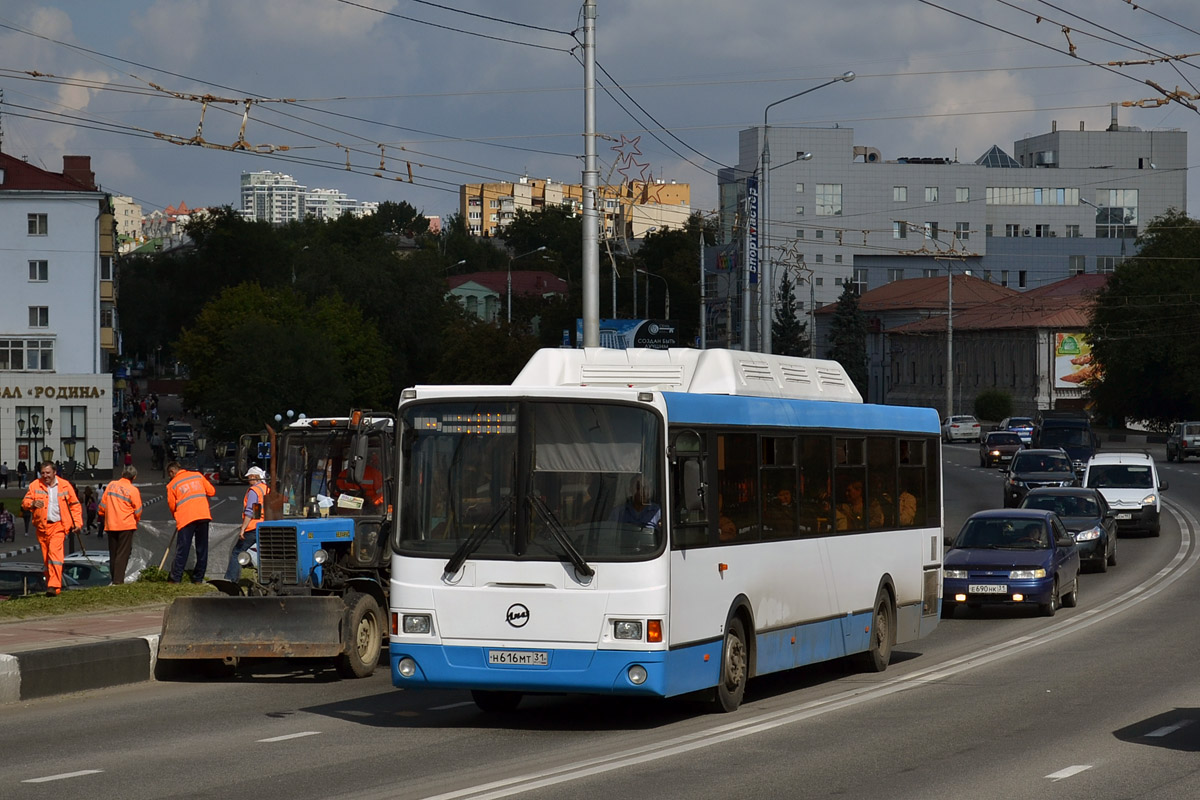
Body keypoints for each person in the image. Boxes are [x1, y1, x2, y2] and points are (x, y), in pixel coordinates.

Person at [21, 462, 84, 596]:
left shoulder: (65, 486)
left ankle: (53, 585)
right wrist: (32, 503)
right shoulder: (35, 485)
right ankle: (53, 588)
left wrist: (77, 524)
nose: (45, 476)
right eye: (43, 473)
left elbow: (75, 505)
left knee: (54, 555)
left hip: (59, 526)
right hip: (42, 527)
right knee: (46, 558)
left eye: (48, 473)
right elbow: (25, 503)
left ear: (55, 472)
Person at [165, 460, 216, 584]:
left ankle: (176, 578)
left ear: (172, 472)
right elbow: (212, 492)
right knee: (202, 548)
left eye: (169, 475)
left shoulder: (172, 485)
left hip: (186, 518)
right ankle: (198, 578)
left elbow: (172, 506)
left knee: (183, 548)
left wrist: (176, 517)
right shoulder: (197, 475)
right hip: (203, 515)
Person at [97, 467, 143, 585]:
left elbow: (102, 505)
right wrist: (136, 520)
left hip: (111, 525)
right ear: (134, 477)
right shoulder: (133, 490)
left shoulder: (111, 485)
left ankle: (114, 579)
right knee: (122, 554)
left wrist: (103, 515)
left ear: (122, 474)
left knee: (114, 553)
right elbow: (138, 511)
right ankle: (118, 581)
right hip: (126, 525)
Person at [225, 466, 269, 582]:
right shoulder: (266, 489)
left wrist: (243, 528)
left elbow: (251, 511)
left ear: (254, 477)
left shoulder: (254, 491)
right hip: (265, 526)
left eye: (249, 478)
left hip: (253, 527)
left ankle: (232, 579)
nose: (248, 480)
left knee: (237, 552)